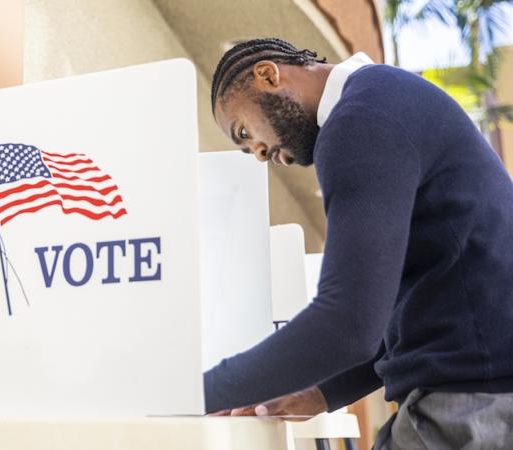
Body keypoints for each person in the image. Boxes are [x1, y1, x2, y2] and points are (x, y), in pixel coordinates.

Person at [205, 37, 513, 448]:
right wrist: (322, 393)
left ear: (267, 75)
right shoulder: (383, 96)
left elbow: (347, 325)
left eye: (244, 132)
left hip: (472, 405)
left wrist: (195, 393)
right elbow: (395, 312)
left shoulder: (359, 121)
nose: (259, 153)